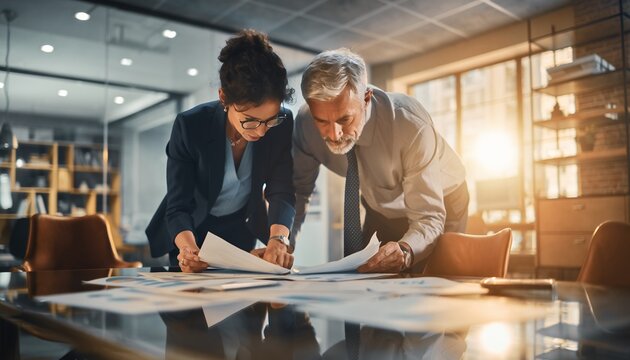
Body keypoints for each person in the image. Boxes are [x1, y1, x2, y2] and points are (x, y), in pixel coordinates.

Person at [292, 48, 468, 273]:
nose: (334, 134)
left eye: (345, 119)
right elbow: (298, 192)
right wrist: (282, 242)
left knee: (438, 281)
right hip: (381, 205)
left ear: (366, 99)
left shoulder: (409, 125)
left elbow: (428, 216)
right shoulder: (305, 124)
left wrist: (405, 250)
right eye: (322, 121)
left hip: (442, 200)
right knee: (366, 274)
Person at [146, 29, 296, 273]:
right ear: (224, 98)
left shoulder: (283, 123)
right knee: (191, 305)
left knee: (242, 304)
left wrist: (278, 239)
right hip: (190, 231)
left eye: (269, 120)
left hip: (240, 228)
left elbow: (282, 189)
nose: (260, 132)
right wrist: (188, 250)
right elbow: (178, 206)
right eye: (250, 120)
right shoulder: (191, 126)